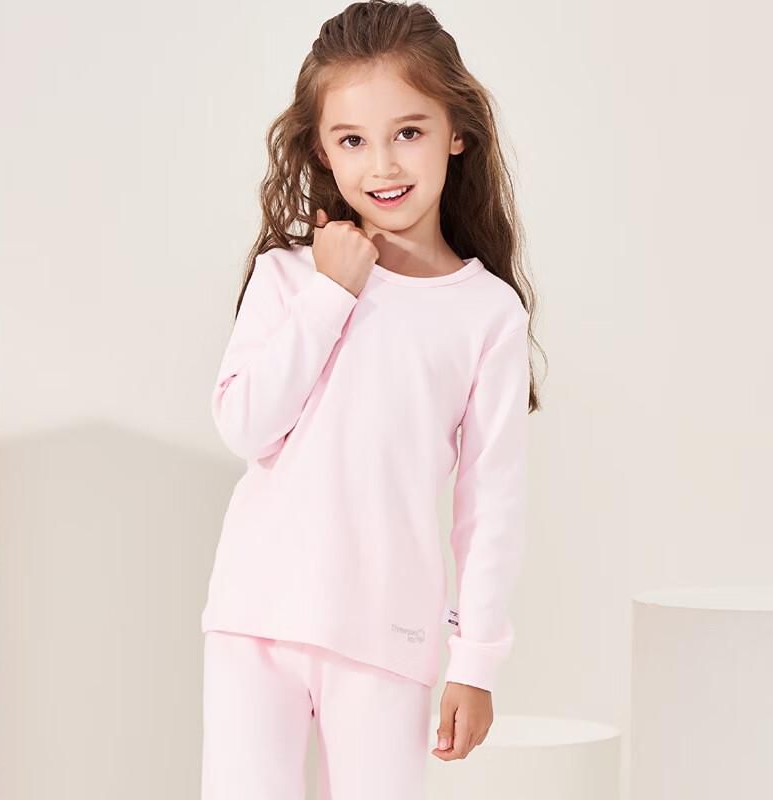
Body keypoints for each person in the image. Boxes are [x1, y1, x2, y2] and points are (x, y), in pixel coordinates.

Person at [200, 1, 544, 798]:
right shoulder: (290, 277)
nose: (383, 166)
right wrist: (332, 292)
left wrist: (476, 661)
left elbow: (490, 500)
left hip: (386, 635)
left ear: (456, 132)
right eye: (352, 140)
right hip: (255, 615)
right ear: (321, 149)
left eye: (408, 132)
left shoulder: (486, 312)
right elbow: (245, 426)